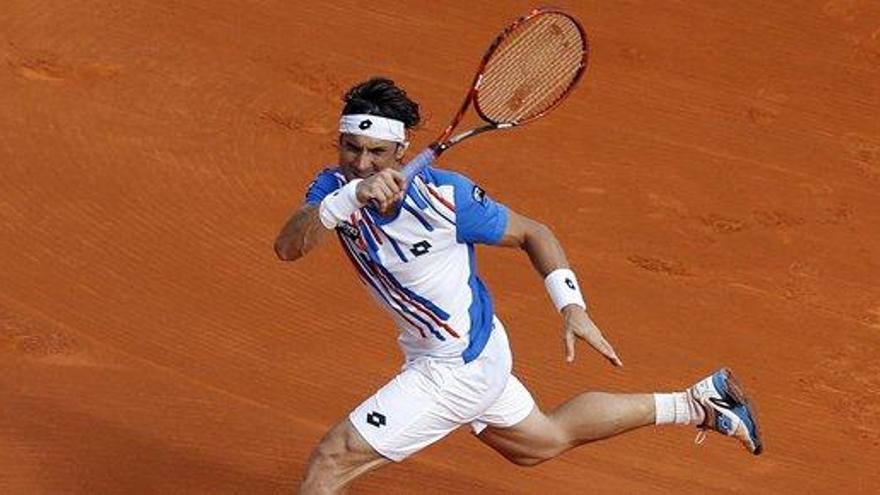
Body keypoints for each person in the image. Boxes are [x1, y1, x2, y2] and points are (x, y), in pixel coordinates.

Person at [275, 77, 762, 494]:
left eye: (377, 153)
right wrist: (348, 198)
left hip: (457, 366)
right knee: (541, 441)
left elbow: (534, 233)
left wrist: (571, 306)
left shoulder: (449, 198)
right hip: (459, 351)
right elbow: (289, 246)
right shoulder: (333, 188)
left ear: (402, 150)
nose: (361, 164)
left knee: (330, 462)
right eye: (352, 149)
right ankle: (699, 403)